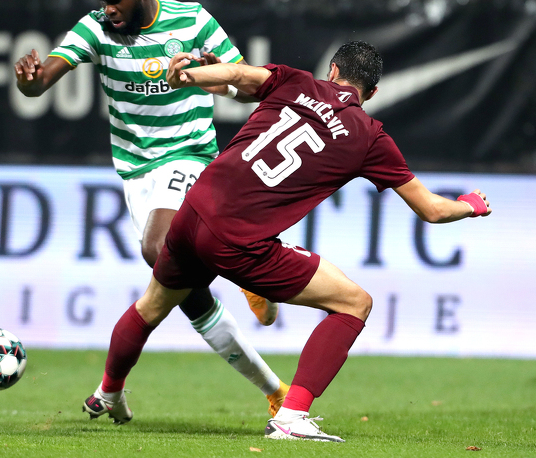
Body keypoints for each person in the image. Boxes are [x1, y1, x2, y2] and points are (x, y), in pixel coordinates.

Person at [83, 41, 492, 441]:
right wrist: (469, 205)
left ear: (331, 71)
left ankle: (108, 391)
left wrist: (189, 74)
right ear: (373, 92)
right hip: (237, 240)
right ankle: (291, 416)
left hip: (193, 210)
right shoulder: (369, 136)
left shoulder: (297, 82)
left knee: (151, 305)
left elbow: (239, 74)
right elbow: (432, 210)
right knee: (355, 303)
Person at [13, 0, 287, 422]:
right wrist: (30, 80)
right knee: (184, 289)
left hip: (190, 154)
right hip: (136, 171)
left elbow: (249, 86)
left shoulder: (194, 20)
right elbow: (43, 82)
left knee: (156, 249)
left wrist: (206, 73)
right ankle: (273, 386)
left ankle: (235, 264)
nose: (109, 9)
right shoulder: (95, 29)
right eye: (102, 0)